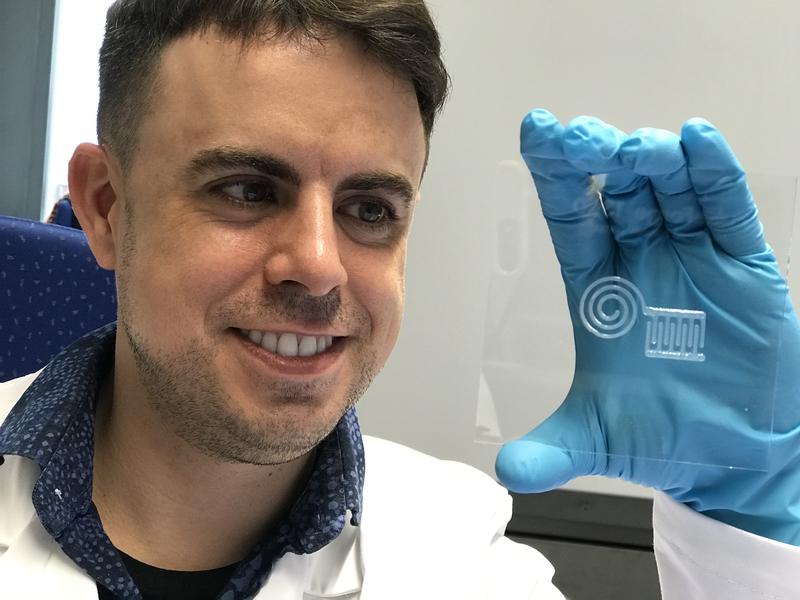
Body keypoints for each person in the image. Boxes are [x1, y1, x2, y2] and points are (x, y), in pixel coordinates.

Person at [1, 1, 799, 598]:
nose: (319, 267)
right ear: (107, 208)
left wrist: (746, 529)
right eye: (246, 190)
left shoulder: (461, 559)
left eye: (370, 210)